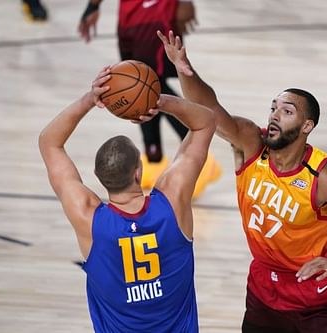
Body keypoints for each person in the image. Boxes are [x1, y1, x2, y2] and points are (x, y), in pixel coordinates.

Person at [158, 30, 327, 333]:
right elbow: (211, 111)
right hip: (264, 292)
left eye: (287, 111)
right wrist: (186, 70)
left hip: (319, 301)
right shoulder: (251, 144)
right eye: (273, 107)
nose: (275, 115)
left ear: (306, 126)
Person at [39, 65, 216, 332]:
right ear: (139, 172)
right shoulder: (172, 201)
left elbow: (49, 142)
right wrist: (159, 100)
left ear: (98, 177)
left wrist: (90, 99)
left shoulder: (87, 216)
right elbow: (205, 123)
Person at [77, 0, 221, 197]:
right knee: (136, 88)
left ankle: (198, 150)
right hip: (129, 18)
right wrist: (93, 6)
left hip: (157, 14)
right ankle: (154, 157)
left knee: (146, 83)